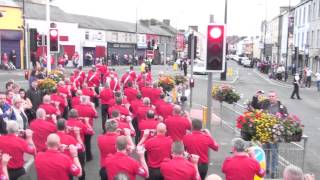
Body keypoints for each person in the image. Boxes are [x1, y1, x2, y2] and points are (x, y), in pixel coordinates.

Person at [262, 91, 288, 178]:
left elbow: (286, 117)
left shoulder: (281, 107)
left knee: (274, 153)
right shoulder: (266, 105)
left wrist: (279, 121)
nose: (271, 98)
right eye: (269, 96)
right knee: (265, 152)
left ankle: (274, 171)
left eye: (273, 96)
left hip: (275, 135)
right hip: (265, 134)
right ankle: (266, 168)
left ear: (277, 97)